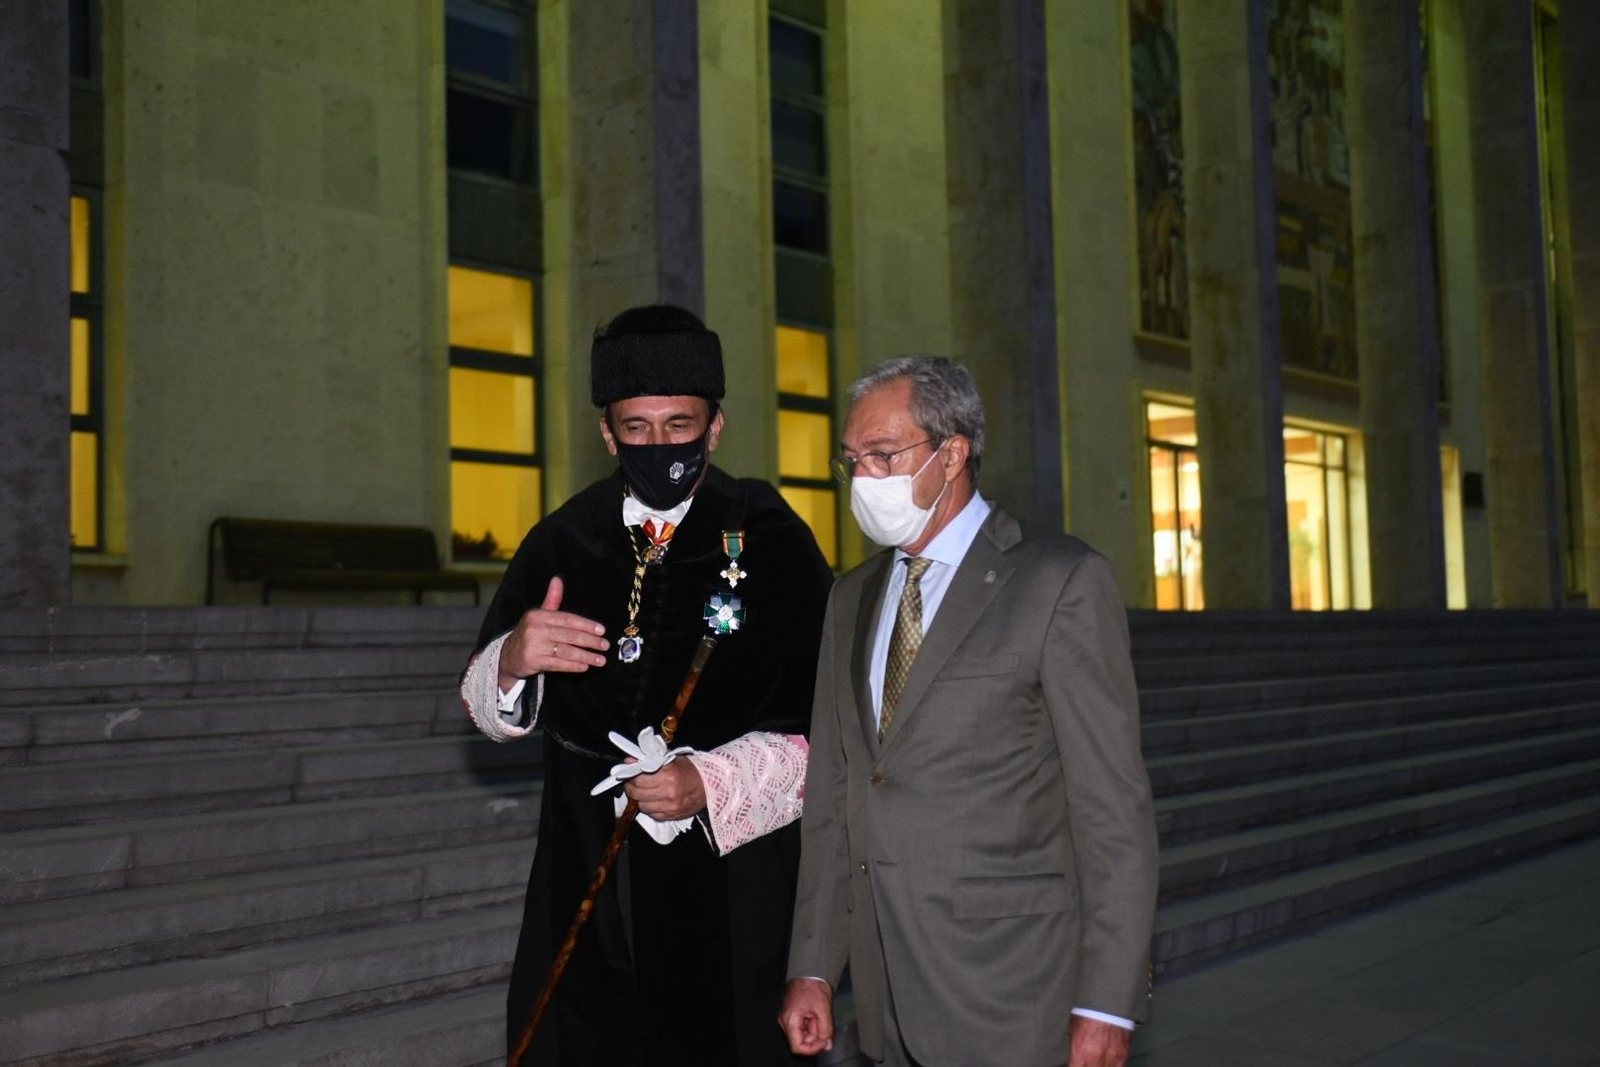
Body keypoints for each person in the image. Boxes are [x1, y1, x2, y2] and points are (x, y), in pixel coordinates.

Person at [460, 304, 833, 1066]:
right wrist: (511, 660)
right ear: (607, 433)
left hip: (730, 891)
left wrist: (712, 780)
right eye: (636, 427)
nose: (659, 444)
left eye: (679, 423)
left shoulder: (771, 537)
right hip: (585, 878)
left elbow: (833, 731)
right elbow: (487, 707)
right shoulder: (565, 538)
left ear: (716, 426)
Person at [778, 357, 1158, 1067]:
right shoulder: (849, 598)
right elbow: (833, 792)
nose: (864, 478)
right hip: (885, 998)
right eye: (852, 460)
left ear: (951, 453)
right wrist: (814, 965)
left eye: (884, 456)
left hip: (1016, 991)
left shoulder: (1059, 581)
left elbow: (1112, 809)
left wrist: (1106, 1002)